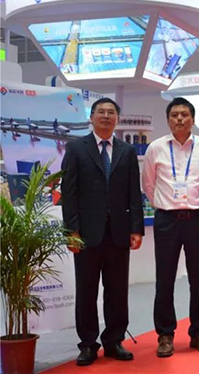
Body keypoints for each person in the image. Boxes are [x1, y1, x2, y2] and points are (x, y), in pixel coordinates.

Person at [61, 98, 144, 366]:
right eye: (101, 112)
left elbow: (134, 192)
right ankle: (87, 344)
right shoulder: (76, 149)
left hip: (118, 233)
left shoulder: (127, 151)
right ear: (92, 117)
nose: (106, 116)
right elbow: (69, 192)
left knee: (117, 290)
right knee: (86, 290)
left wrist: (136, 229)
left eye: (111, 112)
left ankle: (114, 340)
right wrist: (71, 230)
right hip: (86, 233)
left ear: (117, 119)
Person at [141, 97, 199, 358]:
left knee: (198, 279)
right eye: (174, 115)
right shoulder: (156, 148)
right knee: (165, 279)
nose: (179, 119)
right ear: (168, 119)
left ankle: (198, 332)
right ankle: (165, 335)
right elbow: (148, 184)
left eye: (184, 114)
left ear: (193, 119)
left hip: (196, 219)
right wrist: (166, 205)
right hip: (167, 220)